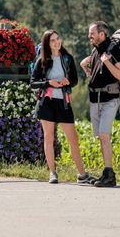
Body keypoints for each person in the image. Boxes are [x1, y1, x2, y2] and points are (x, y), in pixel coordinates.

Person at [31, 29, 95, 185]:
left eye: (58, 39)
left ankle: (82, 174)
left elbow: (74, 80)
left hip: (64, 103)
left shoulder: (68, 58)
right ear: (47, 43)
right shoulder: (42, 61)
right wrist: (48, 83)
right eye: (52, 40)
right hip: (46, 103)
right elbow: (33, 83)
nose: (57, 42)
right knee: (48, 137)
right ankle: (52, 173)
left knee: (73, 139)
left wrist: (68, 82)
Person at [80, 21, 120, 187]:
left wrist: (107, 62)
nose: (89, 36)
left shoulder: (114, 50)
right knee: (101, 136)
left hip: (109, 100)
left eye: (92, 33)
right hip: (95, 100)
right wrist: (84, 66)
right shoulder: (95, 50)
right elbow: (87, 62)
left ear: (102, 34)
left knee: (104, 135)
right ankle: (106, 173)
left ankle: (109, 174)